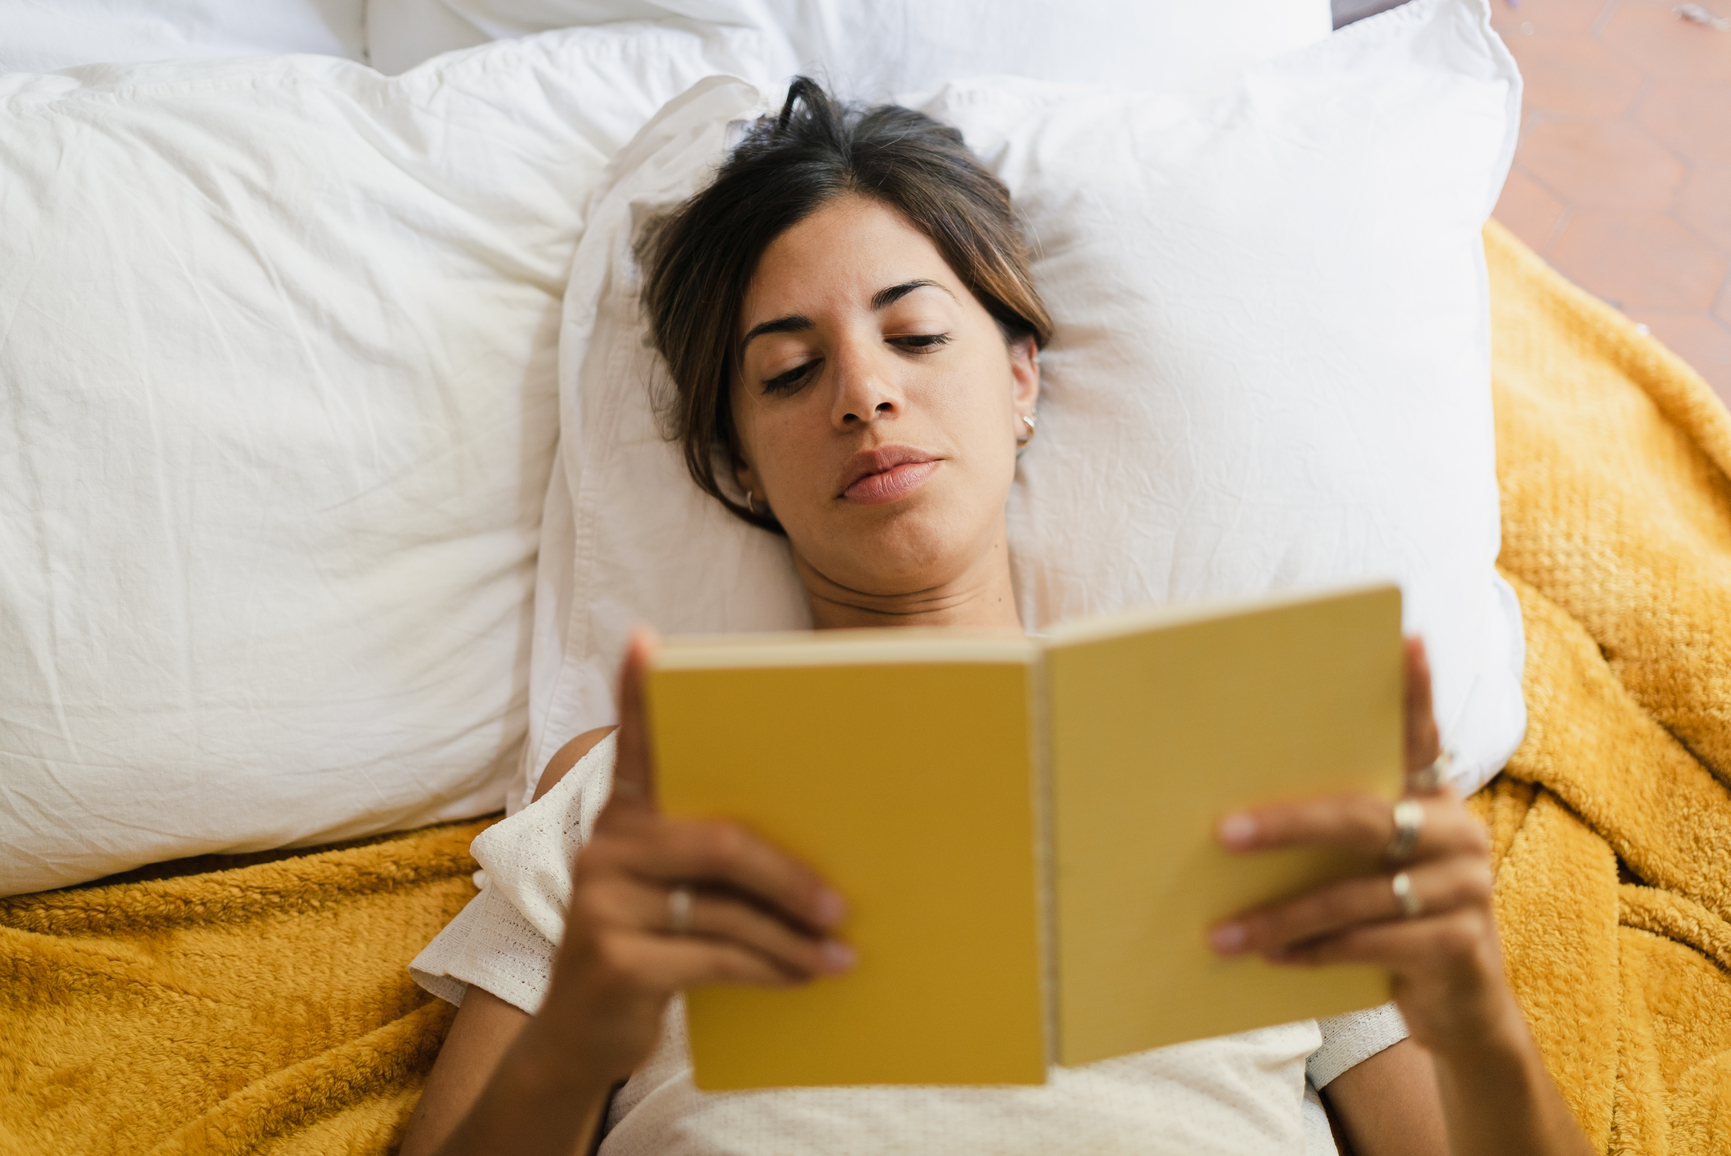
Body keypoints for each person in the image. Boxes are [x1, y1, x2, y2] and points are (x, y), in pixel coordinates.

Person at [400, 79, 1593, 1156]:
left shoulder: (1260, 763)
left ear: (1020, 378)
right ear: (741, 465)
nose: (866, 392)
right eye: (787, 373)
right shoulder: (636, 791)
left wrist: (1474, 1004)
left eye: (915, 336)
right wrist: (573, 1040)